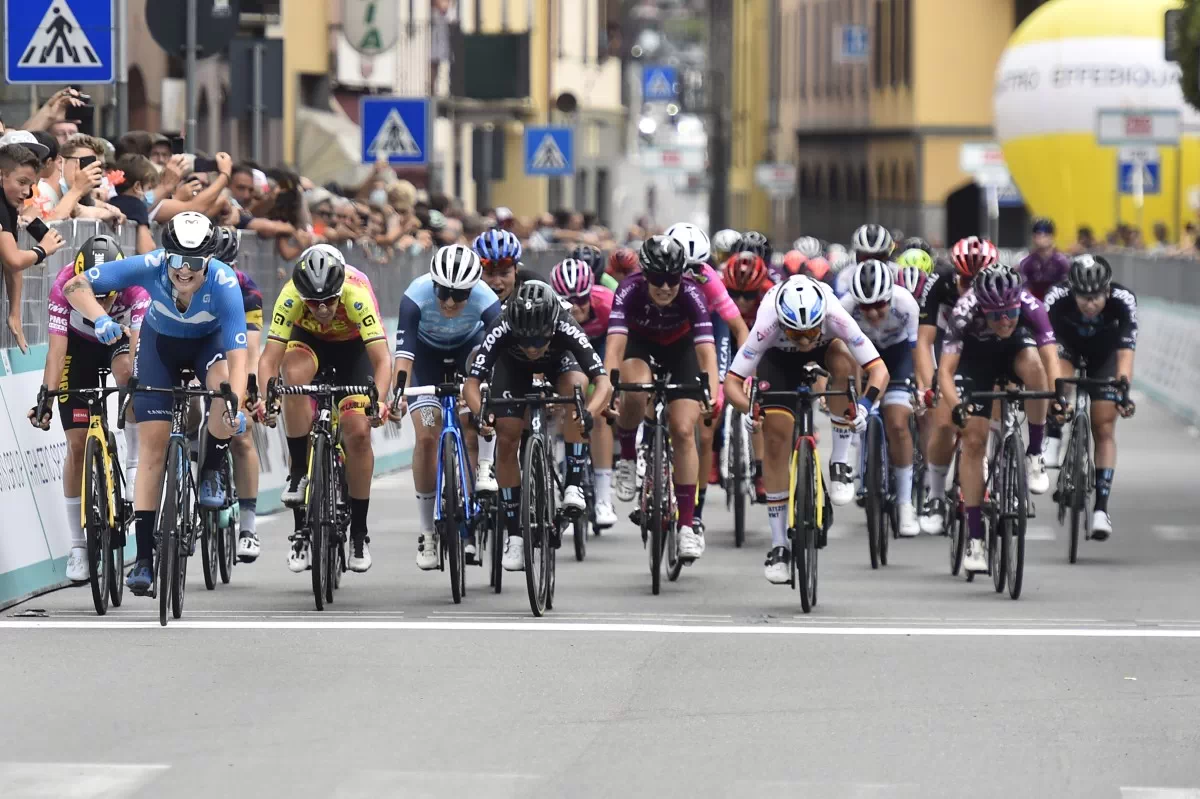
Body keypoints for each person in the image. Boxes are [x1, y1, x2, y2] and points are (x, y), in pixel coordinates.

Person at [61, 212, 249, 595]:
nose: (183, 270)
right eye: (176, 259)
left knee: (224, 391)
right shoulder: (151, 265)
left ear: (209, 261)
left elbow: (238, 356)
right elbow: (74, 285)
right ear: (166, 255)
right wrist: (98, 319)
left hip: (207, 349)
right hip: (159, 349)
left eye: (193, 263)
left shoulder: (225, 284)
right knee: (152, 450)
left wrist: (237, 406)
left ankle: (212, 465)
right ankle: (143, 558)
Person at [723, 275, 889, 584]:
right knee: (775, 438)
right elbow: (732, 382)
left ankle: (839, 462)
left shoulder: (836, 316)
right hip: (777, 360)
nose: (803, 342)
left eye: (810, 332)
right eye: (795, 334)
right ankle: (779, 547)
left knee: (841, 363)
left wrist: (864, 405)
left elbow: (878, 369)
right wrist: (748, 410)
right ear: (782, 323)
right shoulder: (767, 323)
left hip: (826, 352)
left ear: (821, 321)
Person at [258, 244, 391, 573]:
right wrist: (266, 398)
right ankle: (299, 479)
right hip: (309, 345)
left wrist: (381, 400)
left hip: (354, 351)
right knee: (291, 377)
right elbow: (269, 359)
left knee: (358, 434)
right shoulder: (291, 295)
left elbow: (382, 359)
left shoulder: (355, 294)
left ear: (339, 290)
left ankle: (358, 533)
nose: (321, 309)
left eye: (329, 301)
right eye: (313, 303)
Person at [464, 280, 611, 571]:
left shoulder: (565, 324)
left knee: (577, 395)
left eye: (539, 340)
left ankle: (573, 485)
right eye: (525, 340)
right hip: (511, 369)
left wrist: (589, 413)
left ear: (552, 327)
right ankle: (515, 536)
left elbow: (602, 382)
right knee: (506, 438)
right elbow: (472, 384)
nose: (532, 348)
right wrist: (482, 414)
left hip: (560, 364)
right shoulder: (502, 325)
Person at [28, 235, 148, 582]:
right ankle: (78, 547)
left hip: (120, 345)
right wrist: (46, 398)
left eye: (106, 296)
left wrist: (135, 387)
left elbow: (139, 349)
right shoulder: (64, 284)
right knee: (78, 445)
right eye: (92, 297)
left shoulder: (134, 287)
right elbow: (56, 352)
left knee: (129, 375)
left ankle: (135, 463)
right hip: (78, 352)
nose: (101, 302)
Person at [941, 263, 1064, 574]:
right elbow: (945, 371)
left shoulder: (1030, 306)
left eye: (1009, 312)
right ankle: (976, 540)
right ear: (983, 308)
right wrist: (956, 405)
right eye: (995, 315)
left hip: (1015, 353)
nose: (1004, 320)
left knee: (1035, 366)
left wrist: (1058, 397)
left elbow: (1051, 357)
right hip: (976, 360)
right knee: (974, 441)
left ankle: (1035, 452)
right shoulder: (964, 310)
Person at [606, 236, 719, 561]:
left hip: (679, 350)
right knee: (635, 389)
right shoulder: (628, 289)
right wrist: (611, 387)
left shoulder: (692, 294)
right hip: (639, 346)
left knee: (684, 430)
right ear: (645, 275)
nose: (666, 287)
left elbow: (706, 353)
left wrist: (710, 390)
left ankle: (686, 526)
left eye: (672, 279)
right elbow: (614, 348)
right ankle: (627, 456)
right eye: (658, 279)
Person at [390, 244, 502, 570]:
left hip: (469, 356)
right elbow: (404, 357)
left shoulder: (486, 299)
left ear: (473, 289)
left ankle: (483, 467)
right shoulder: (416, 296)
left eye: (459, 295)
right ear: (433, 283)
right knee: (426, 437)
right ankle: (427, 531)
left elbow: (500, 355)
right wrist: (397, 395)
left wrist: (486, 399)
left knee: (473, 423)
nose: (451, 302)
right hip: (426, 361)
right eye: (444, 293)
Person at [1043, 255, 1137, 539]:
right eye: (1083, 297)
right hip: (1067, 348)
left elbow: (1125, 352)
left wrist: (1123, 390)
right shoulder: (1056, 298)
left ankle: (1100, 510)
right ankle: (1055, 432)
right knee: (1059, 381)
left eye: (1096, 297)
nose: (1090, 303)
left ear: (1107, 290)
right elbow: (1045, 349)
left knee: (1104, 426)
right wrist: (1053, 395)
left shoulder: (1124, 300)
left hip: (1105, 356)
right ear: (1073, 292)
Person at [665, 222, 750, 529]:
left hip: (706, 332)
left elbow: (737, 329)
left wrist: (739, 374)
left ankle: (695, 510)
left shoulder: (708, 278)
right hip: (669, 335)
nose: (689, 275)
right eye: (682, 268)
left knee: (703, 427)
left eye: (695, 267)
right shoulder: (656, 277)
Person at [915, 236, 998, 534]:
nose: (969, 288)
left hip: (985, 349)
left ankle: (999, 468)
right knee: (943, 419)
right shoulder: (939, 284)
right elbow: (924, 343)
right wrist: (928, 388)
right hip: (947, 348)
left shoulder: (1001, 286)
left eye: (977, 281)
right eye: (965, 280)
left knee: (998, 400)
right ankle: (936, 494)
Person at [840, 260, 921, 535]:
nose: (873, 314)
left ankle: (905, 503)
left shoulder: (906, 303)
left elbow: (917, 351)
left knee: (898, 423)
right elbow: (847, 357)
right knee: (864, 413)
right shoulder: (845, 307)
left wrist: (921, 387)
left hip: (898, 356)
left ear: (890, 297)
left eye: (879, 306)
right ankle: (865, 469)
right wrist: (858, 395)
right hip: (864, 355)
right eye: (866, 307)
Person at [550, 257, 619, 528]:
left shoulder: (607, 304)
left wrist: (613, 391)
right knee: (565, 402)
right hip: (566, 349)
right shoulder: (552, 311)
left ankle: (603, 498)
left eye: (581, 299)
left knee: (600, 414)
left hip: (601, 347)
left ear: (591, 293)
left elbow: (617, 351)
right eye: (568, 300)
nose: (576, 306)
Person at [0, 143, 66, 352]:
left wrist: (15, 314)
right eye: (21, 182)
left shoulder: (8, 205)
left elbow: (14, 266)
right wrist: (42, 250)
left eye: (31, 185)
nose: (27, 192)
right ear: (1, 175)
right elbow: (14, 260)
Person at [721, 250, 775, 501]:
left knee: (759, 400)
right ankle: (713, 453)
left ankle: (761, 471)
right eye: (735, 295)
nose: (741, 301)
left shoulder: (771, 295)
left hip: (761, 341)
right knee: (716, 391)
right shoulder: (718, 292)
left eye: (749, 295)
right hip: (727, 340)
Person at [107, 154, 159, 254]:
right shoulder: (138, 207)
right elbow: (146, 248)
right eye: (149, 188)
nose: (149, 193)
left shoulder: (110, 203)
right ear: (137, 186)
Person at [472, 228, 535, 303]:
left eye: (504, 273)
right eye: (490, 274)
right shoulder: (466, 294)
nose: (497, 282)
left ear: (516, 269)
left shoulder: (533, 287)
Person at [1019, 217, 1070, 300]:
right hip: (1034, 303)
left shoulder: (1062, 262)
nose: (1041, 238)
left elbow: (1067, 288)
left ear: (1052, 237)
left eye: (1045, 235)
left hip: (1058, 302)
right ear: (1033, 237)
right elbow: (1024, 290)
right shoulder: (1027, 263)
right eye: (1038, 234)